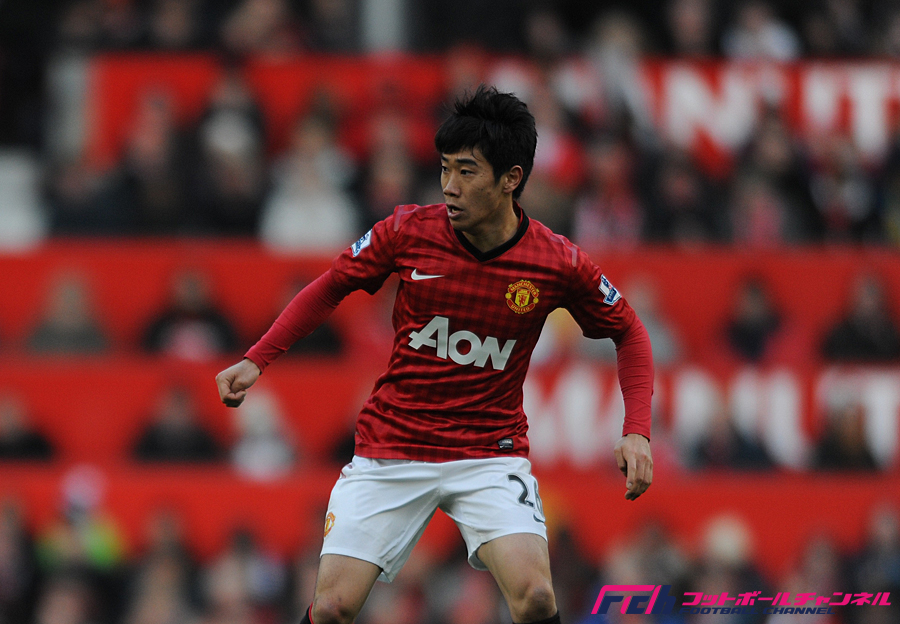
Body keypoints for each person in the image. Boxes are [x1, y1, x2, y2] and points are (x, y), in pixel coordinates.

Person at [215, 86, 654, 624]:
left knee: (537, 597)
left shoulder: (556, 262)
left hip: (488, 453)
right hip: (393, 444)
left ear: (511, 178)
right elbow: (330, 286)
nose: (449, 186)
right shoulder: (408, 231)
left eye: (467, 171)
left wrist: (637, 430)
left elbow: (630, 332)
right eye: (445, 169)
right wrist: (256, 359)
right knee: (330, 607)